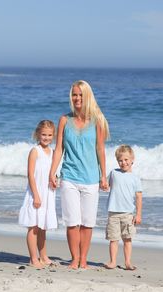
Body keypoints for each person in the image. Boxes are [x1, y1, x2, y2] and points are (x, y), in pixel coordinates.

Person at [49, 80, 109, 269]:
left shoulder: (97, 121)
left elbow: (100, 149)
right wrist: (53, 172)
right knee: (72, 222)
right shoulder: (64, 120)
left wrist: (103, 175)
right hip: (69, 177)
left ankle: (84, 259)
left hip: (91, 178)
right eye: (74, 94)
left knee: (87, 222)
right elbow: (58, 149)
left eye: (81, 95)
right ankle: (75, 259)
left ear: (87, 96)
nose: (77, 98)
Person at [18, 120, 58, 268]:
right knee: (33, 226)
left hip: (48, 193)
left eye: (49, 135)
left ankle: (43, 256)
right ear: (37, 134)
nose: (46, 138)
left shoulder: (53, 152)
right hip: (36, 193)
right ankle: (33, 258)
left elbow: (52, 172)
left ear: (53, 136)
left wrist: (55, 180)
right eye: (43, 135)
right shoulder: (35, 151)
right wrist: (36, 195)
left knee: (43, 227)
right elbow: (30, 175)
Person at [104, 145, 143, 270]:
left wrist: (138, 214)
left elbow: (138, 197)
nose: (123, 163)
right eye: (120, 160)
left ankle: (127, 262)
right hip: (113, 212)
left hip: (128, 213)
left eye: (126, 160)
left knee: (127, 239)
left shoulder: (135, 178)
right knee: (113, 239)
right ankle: (113, 261)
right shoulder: (114, 173)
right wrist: (103, 184)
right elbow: (106, 185)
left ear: (132, 160)